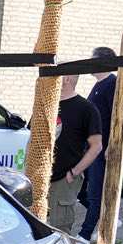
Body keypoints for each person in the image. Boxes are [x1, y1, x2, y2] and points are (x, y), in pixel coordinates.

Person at [49, 71, 103, 235]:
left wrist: (74, 172)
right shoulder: (48, 104)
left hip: (64, 179)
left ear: (65, 79)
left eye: (54, 76)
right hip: (41, 178)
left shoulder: (86, 108)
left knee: (59, 229)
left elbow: (96, 146)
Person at [82, 46, 119, 240]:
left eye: (92, 59)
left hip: (100, 149)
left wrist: (111, 145)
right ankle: (108, 217)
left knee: (95, 191)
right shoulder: (98, 85)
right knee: (80, 189)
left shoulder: (112, 84)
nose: (89, 62)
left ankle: (85, 234)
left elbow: (116, 117)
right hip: (89, 148)